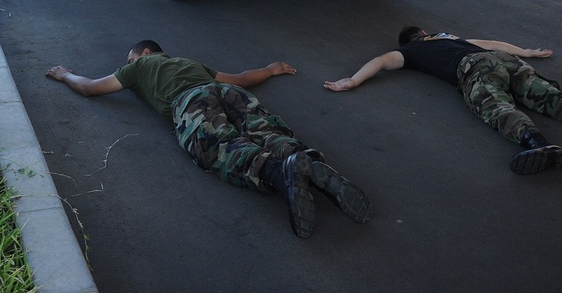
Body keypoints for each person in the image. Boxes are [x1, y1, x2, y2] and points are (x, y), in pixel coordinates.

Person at [46, 40, 370, 238]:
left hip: (191, 102)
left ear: (144, 53)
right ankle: (304, 161)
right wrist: (270, 69)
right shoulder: (190, 63)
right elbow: (241, 79)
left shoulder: (139, 65)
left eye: (130, 60)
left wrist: (65, 75)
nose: (129, 67)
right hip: (228, 92)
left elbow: (90, 87)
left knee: (219, 147)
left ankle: (279, 174)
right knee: (266, 131)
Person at [325, 26, 562, 175]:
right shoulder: (452, 37)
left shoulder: (411, 50)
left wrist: (353, 80)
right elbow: (494, 43)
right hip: (508, 63)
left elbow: (383, 62)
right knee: (560, 100)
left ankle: (538, 145)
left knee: (497, 107)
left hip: (474, 69)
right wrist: (529, 52)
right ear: (427, 32)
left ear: (410, 40)